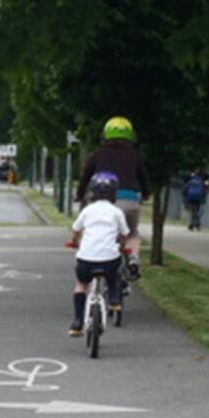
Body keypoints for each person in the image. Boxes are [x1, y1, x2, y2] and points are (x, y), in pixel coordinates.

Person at [75, 116, 149, 279]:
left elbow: (85, 177)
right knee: (132, 233)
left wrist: (80, 195)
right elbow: (143, 178)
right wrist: (145, 194)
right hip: (130, 200)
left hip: (104, 200)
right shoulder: (134, 155)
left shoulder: (98, 154)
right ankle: (134, 259)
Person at [67, 171, 129, 337]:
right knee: (115, 269)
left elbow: (75, 230)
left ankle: (77, 321)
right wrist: (122, 245)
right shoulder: (116, 212)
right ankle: (114, 298)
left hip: (86, 259)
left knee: (81, 285)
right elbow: (124, 234)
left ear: (92, 192)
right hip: (108, 259)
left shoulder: (87, 210)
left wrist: (74, 242)